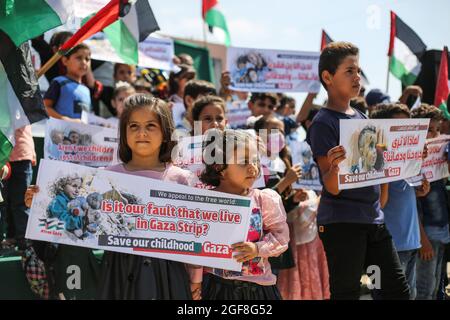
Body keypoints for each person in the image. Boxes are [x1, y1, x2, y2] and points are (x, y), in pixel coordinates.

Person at [306, 42, 409, 300]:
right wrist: (336, 166)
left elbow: (377, 167)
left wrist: (408, 158)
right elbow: (331, 187)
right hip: (342, 225)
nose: (357, 77)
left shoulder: (362, 117)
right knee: (347, 293)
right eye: (349, 71)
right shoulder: (323, 123)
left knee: (392, 290)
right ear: (327, 77)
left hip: (373, 222)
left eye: (359, 70)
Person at [96, 94, 202, 299]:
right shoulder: (105, 176)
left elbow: (193, 235)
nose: (141, 132)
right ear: (124, 132)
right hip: (119, 270)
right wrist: (40, 200)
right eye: (133, 126)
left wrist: (195, 277)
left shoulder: (182, 179)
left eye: (151, 126)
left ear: (165, 132)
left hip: (168, 272)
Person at [199, 129, 289, 300]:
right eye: (243, 161)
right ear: (219, 167)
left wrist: (257, 249)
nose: (252, 167)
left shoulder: (264, 199)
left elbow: (281, 238)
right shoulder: (205, 202)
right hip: (214, 288)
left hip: (257, 290)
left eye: (255, 161)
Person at [370, 103, 430, 300]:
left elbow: (407, 195)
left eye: (408, 123)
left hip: (410, 242)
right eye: (399, 124)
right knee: (382, 295)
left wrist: (420, 189)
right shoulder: (372, 158)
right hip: (384, 248)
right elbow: (380, 204)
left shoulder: (408, 159)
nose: (406, 128)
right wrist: (386, 167)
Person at [412, 104, 450, 300]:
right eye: (427, 130)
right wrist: (422, 240)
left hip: (442, 232)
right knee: (424, 288)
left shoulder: (439, 163)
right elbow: (413, 208)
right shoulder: (410, 167)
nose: (433, 134)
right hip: (425, 236)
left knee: (436, 285)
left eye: (436, 129)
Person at [43, 43, 92, 122]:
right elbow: (45, 107)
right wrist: (65, 119)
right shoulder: (59, 82)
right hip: (60, 132)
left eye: (87, 59)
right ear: (65, 61)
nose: (84, 62)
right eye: (79, 58)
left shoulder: (86, 90)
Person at [168, 64, 196, 128]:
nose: (192, 82)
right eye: (188, 79)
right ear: (176, 80)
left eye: (193, 79)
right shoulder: (167, 104)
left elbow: (198, 132)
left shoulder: (198, 102)